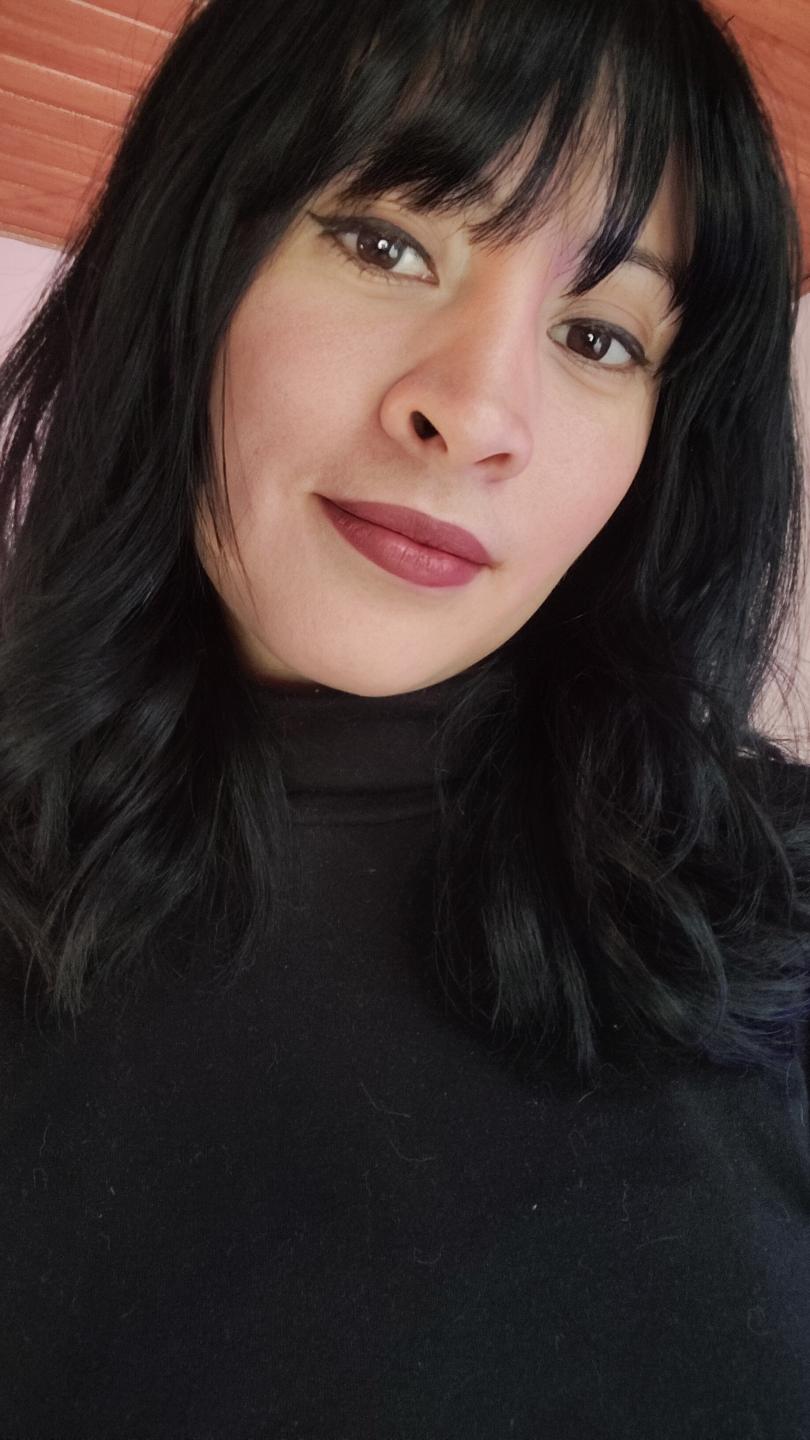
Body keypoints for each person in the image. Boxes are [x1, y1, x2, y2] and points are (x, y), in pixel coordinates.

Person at [0, 0, 809, 1433]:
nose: (477, 414)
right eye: (386, 243)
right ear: (190, 252)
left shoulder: (777, 903)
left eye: (598, 334)